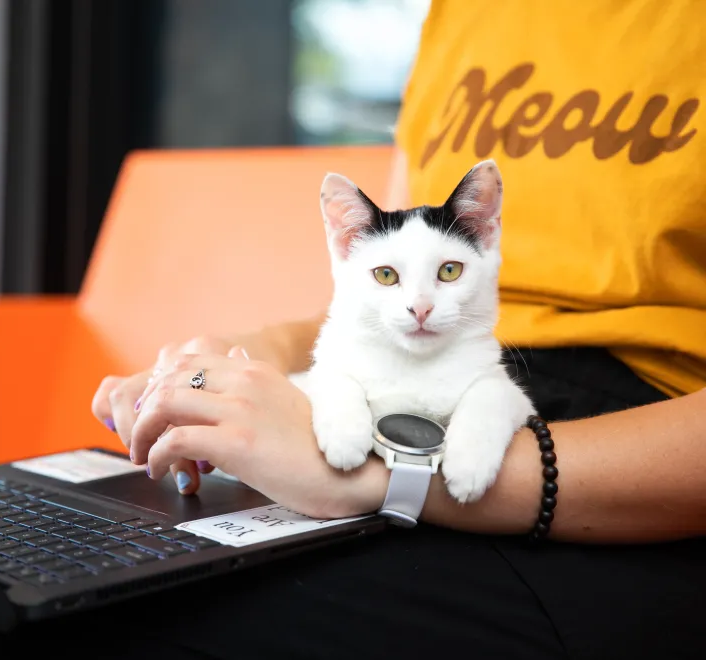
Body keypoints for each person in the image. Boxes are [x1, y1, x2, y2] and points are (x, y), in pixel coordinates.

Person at [89, 2, 706, 658]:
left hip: (630, 468)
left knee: (163, 620)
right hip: (431, 395)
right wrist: (252, 358)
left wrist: (394, 478)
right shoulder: (459, 17)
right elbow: (383, 289)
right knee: (70, 570)